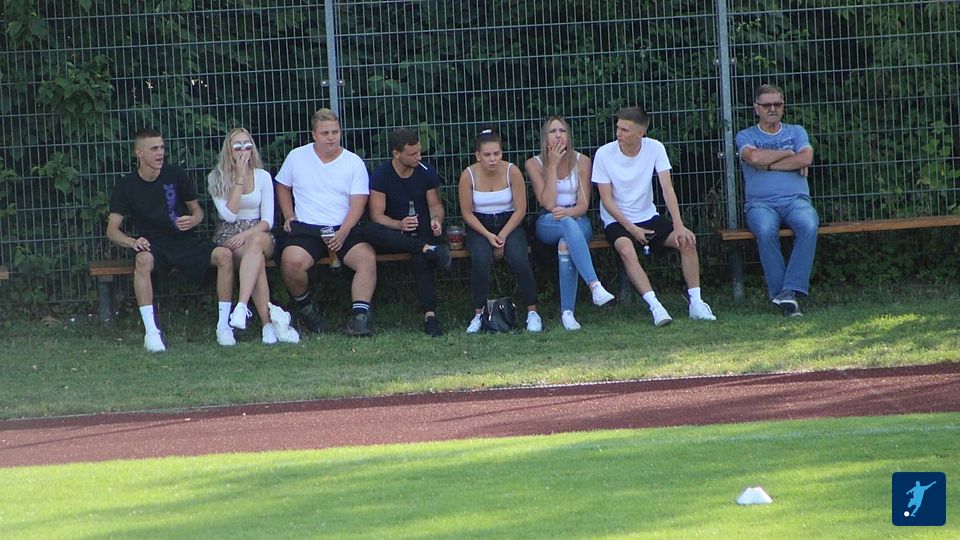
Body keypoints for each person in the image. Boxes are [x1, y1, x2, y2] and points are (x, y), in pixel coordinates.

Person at [276, 108, 449, 337]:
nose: (331, 137)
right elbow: (282, 186)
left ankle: (359, 318)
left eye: (335, 132)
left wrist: (343, 232)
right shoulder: (296, 157)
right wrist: (289, 215)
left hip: (346, 227)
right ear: (314, 134)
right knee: (290, 262)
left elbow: (358, 204)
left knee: (366, 259)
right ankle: (307, 308)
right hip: (307, 228)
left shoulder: (353, 162)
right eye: (325, 133)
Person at [106, 128, 236, 352]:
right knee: (143, 261)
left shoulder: (176, 174)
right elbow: (112, 230)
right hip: (153, 244)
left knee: (224, 255)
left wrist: (193, 220)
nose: (160, 153)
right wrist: (133, 242)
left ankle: (224, 326)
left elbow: (198, 212)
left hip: (184, 240)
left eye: (162, 148)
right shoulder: (126, 185)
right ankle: (151, 332)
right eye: (154, 149)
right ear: (139, 153)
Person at [593, 106, 717, 326]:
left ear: (640, 133)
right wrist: (632, 229)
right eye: (618, 128)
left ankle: (696, 303)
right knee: (626, 250)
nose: (618, 133)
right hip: (617, 221)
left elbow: (667, 189)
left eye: (624, 130)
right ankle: (656, 306)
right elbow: (607, 201)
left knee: (687, 241)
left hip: (649, 216)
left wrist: (679, 225)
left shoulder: (655, 148)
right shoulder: (604, 154)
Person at [207, 128, 299, 344]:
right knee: (254, 261)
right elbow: (229, 215)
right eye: (237, 146)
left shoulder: (263, 176)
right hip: (229, 232)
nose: (243, 151)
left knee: (255, 244)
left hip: (257, 231)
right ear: (228, 150)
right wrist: (239, 178)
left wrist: (247, 234)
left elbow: (267, 221)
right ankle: (267, 326)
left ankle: (241, 306)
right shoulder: (216, 177)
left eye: (247, 145)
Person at [525, 116, 615, 330]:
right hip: (549, 221)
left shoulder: (582, 161)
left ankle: (568, 313)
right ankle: (594, 285)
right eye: (553, 131)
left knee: (566, 243)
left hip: (577, 218)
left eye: (562, 131)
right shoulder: (534, 163)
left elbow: (583, 205)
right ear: (545, 137)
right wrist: (552, 167)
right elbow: (548, 203)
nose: (558, 135)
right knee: (565, 224)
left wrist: (567, 213)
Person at [735, 84, 817, 317]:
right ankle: (785, 295)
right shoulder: (746, 135)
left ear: (783, 106)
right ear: (756, 108)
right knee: (764, 230)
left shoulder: (796, 131)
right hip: (760, 204)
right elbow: (753, 157)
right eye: (766, 105)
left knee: (809, 225)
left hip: (796, 200)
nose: (772, 109)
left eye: (777, 104)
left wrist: (769, 166)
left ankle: (787, 293)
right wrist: (789, 154)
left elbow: (806, 158)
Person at [459, 128, 541, 333]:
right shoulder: (468, 175)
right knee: (480, 260)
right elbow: (467, 213)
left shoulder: (512, 171)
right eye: (487, 155)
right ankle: (479, 314)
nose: (493, 159)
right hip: (480, 226)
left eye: (497, 153)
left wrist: (502, 235)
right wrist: (488, 235)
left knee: (520, 259)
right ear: (478, 155)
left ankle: (532, 312)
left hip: (509, 223)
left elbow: (521, 209)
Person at [369, 128, 448, 337]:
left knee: (422, 258)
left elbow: (436, 206)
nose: (418, 157)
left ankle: (430, 316)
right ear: (397, 154)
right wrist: (399, 224)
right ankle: (426, 248)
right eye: (412, 154)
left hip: (421, 230)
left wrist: (436, 221)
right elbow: (377, 215)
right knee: (372, 231)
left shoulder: (426, 171)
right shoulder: (381, 175)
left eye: (419, 151)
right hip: (393, 232)